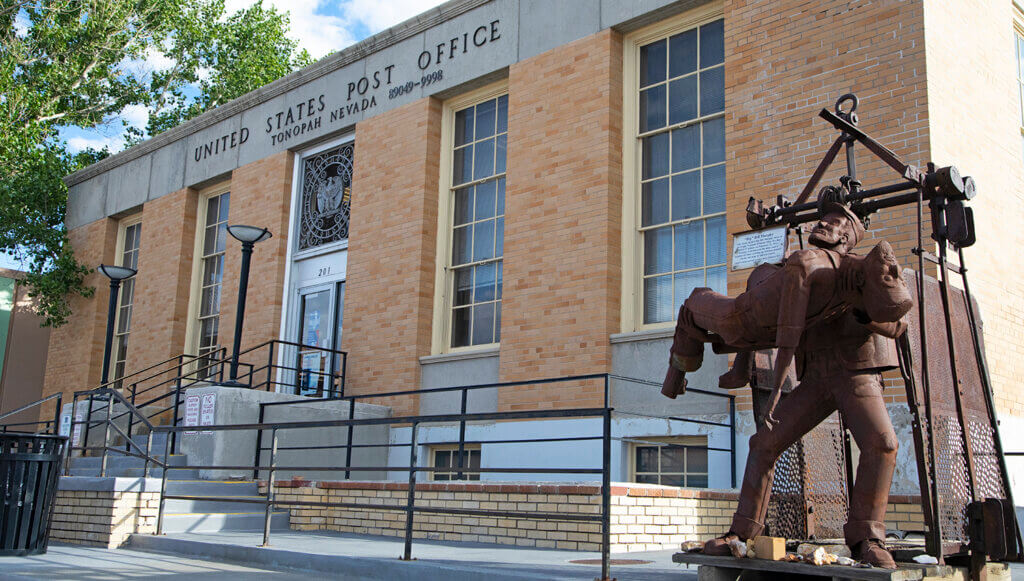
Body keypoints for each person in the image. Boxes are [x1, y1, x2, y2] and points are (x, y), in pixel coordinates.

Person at [663, 201, 911, 569]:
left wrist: (859, 308)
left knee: (883, 444)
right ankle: (742, 533)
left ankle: (867, 538)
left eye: (836, 221)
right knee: (764, 442)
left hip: (854, 373)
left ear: (848, 235)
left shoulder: (861, 270)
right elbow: (777, 328)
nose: (825, 223)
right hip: (815, 377)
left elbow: (898, 325)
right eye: (823, 218)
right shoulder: (803, 267)